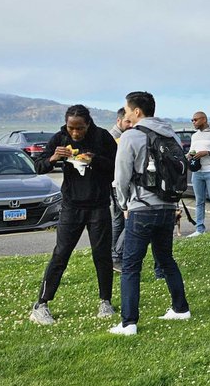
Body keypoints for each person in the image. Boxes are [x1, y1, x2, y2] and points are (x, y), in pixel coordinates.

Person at [28, 104, 119, 325]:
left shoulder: (102, 137)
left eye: (80, 128)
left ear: (88, 124)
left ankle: (105, 302)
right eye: (71, 128)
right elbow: (37, 166)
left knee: (102, 255)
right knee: (61, 254)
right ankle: (41, 305)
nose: (75, 133)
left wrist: (94, 159)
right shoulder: (59, 138)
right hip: (71, 205)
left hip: (98, 204)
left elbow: (117, 167)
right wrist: (52, 159)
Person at [111, 91, 191, 335]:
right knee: (165, 259)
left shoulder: (131, 136)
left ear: (136, 112)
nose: (125, 114)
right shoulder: (171, 134)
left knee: (131, 264)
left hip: (141, 208)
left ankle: (129, 322)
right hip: (167, 206)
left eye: (126, 110)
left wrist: (124, 204)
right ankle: (180, 308)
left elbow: (122, 176)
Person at [187, 111, 210, 236]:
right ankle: (199, 229)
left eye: (195, 120)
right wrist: (189, 155)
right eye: (192, 120)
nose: (193, 122)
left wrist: (207, 153)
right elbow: (192, 150)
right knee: (199, 201)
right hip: (197, 172)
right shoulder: (194, 136)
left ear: (204, 119)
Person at [109, 107, 130, 272]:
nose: (130, 125)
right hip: (119, 184)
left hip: (115, 184)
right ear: (119, 121)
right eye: (127, 122)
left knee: (118, 221)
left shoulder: (121, 136)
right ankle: (116, 255)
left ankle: (113, 255)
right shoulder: (115, 138)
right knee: (127, 219)